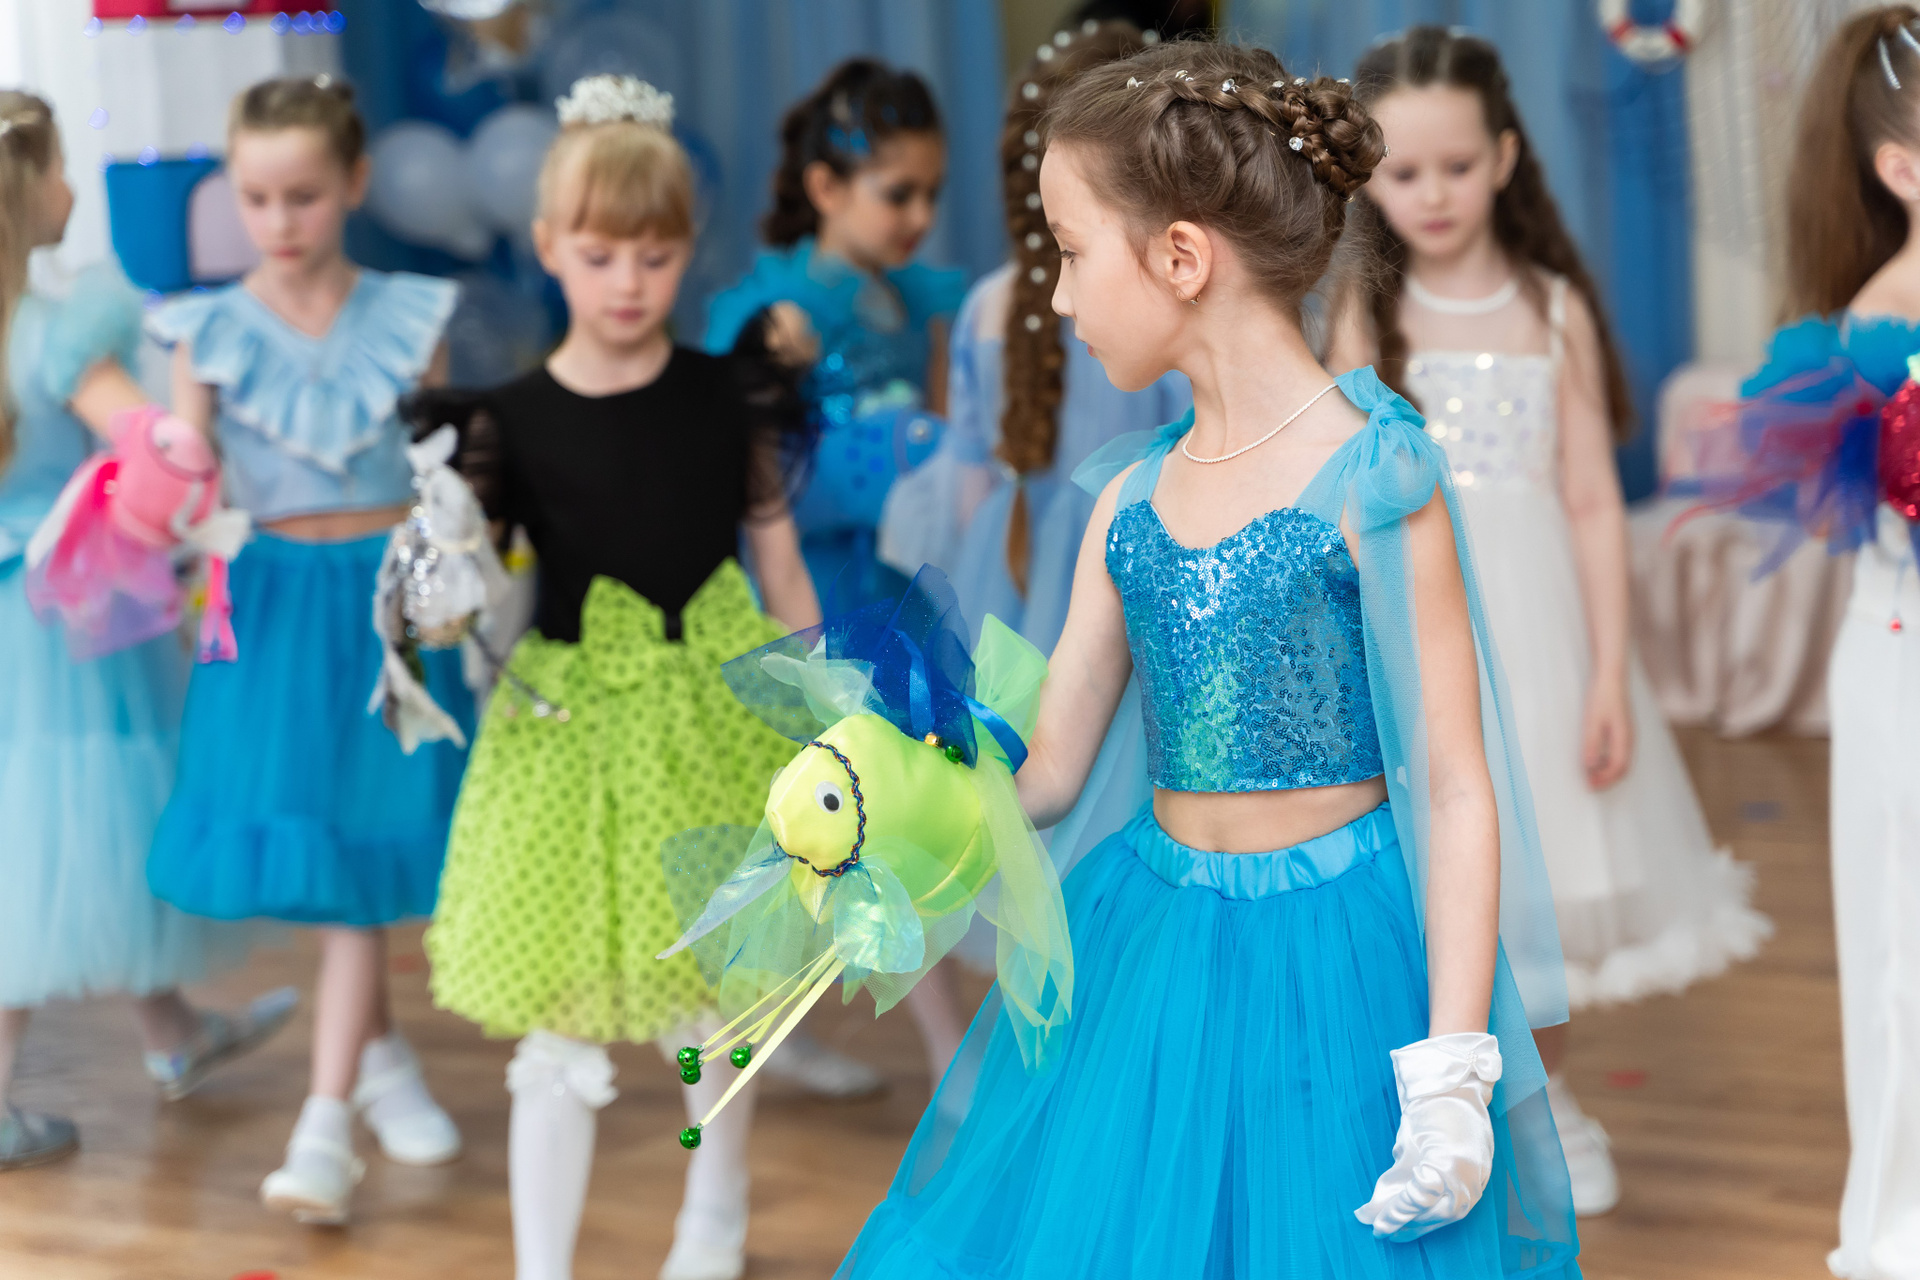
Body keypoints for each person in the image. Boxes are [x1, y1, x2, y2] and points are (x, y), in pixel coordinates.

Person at [834, 40, 1578, 1278]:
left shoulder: (1373, 478)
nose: (1057, 300)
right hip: (1158, 941)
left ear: (1181, 257)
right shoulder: (1128, 499)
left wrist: (1453, 1067)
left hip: (1340, 954)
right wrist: (890, 795)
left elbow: (1455, 783)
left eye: (1072, 253)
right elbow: (1049, 769)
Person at [1330, 25, 1772, 1217]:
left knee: (1554, 876)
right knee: (1431, 874)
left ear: (1507, 157)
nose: (1432, 194)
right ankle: (1452, 1101)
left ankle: (1553, 1099)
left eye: (1456, 166)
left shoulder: (1552, 307)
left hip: (1539, 637)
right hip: (1419, 631)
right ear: (1369, 177)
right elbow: (1343, 492)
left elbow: (1588, 499)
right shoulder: (1366, 308)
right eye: (1404, 171)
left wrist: (1609, 672)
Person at [414, 75, 819, 1280]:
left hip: (716, 719)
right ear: (548, 246)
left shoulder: (731, 396)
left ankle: (715, 1212)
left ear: (689, 247)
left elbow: (781, 565)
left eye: (655, 254)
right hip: (568, 733)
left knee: (720, 995)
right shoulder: (505, 419)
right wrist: (435, 580)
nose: (629, 281)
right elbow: (467, 588)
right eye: (599, 255)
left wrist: (836, 717)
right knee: (557, 1024)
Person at [143, 75, 467, 1225]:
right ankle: (358, 1085)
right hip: (273, 606)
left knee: (365, 832)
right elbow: (187, 482)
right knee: (326, 842)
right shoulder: (204, 329)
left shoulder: (411, 315)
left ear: (354, 183)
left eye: (305, 195)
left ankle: (360, 1082)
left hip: (385, 598)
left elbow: (439, 471)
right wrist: (164, 524)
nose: (279, 220)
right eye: (257, 197)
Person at [0, 89, 293, 1172]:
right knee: (55, 831)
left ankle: (173, 1032)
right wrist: (190, 421)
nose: (73, 189)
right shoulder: (59, 333)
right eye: (60, 170)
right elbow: (157, 447)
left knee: (69, 829)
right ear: (26, 195)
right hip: (58, 612)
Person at [1692, 10, 1920, 1275]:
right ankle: (1902, 1217)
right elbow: (1845, 510)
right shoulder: (1873, 332)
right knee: (1908, 947)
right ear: (1902, 170)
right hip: (1905, 658)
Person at [704, 57, 970, 1098]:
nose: (920, 217)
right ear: (825, 187)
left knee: (889, 810)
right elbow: (755, 482)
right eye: (897, 193)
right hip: (806, 591)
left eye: (932, 193)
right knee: (834, 813)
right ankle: (928, 1050)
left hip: (892, 587)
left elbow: (938, 446)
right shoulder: (778, 315)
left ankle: (926, 1046)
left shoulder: (915, 305)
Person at [878, 19, 1191, 660]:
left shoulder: (983, 309)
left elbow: (968, 493)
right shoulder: (1159, 304)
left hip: (1002, 587)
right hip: (1138, 579)